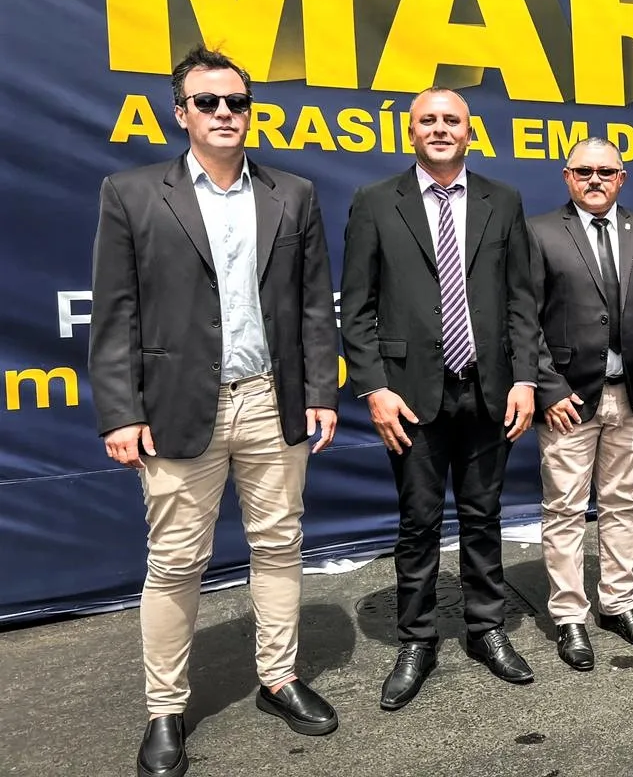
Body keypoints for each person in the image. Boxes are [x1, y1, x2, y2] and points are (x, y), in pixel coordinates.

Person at [89, 45, 340, 777]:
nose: (224, 113)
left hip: (270, 401)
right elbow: (115, 312)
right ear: (182, 113)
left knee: (280, 544)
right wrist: (120, 412)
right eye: (208, 102)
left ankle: (279, 678)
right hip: (176, 407)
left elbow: (313, 307)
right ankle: (165, 709)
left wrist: (320, 393)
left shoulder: (293, 193)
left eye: (236, 102)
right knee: (174, 562)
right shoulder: (132, 193)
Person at [340, 87, 540, 709]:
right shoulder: (376, 202)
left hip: (488, 389)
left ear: (470, 131)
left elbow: (521, 300)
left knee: (484, 516)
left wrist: (526, 379)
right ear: (411, 132)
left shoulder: (503, 200)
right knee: (419, 523)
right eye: (428, 120)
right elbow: (358, 308)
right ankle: (417, 639)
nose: (440, 128)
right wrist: (374, 388)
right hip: (410, 395)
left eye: (452, 120)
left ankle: (486, 628)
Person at [528, 137, 633, 669]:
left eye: (605, 171)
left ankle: (617, 604)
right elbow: (524, 320)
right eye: (583, 171)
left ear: (622, 177)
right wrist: (549, 389)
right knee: (565, 510)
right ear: (567, 176)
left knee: (623, 505)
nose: (594, 179)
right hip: (568, 400)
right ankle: (569, 616)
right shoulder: (540, 231)